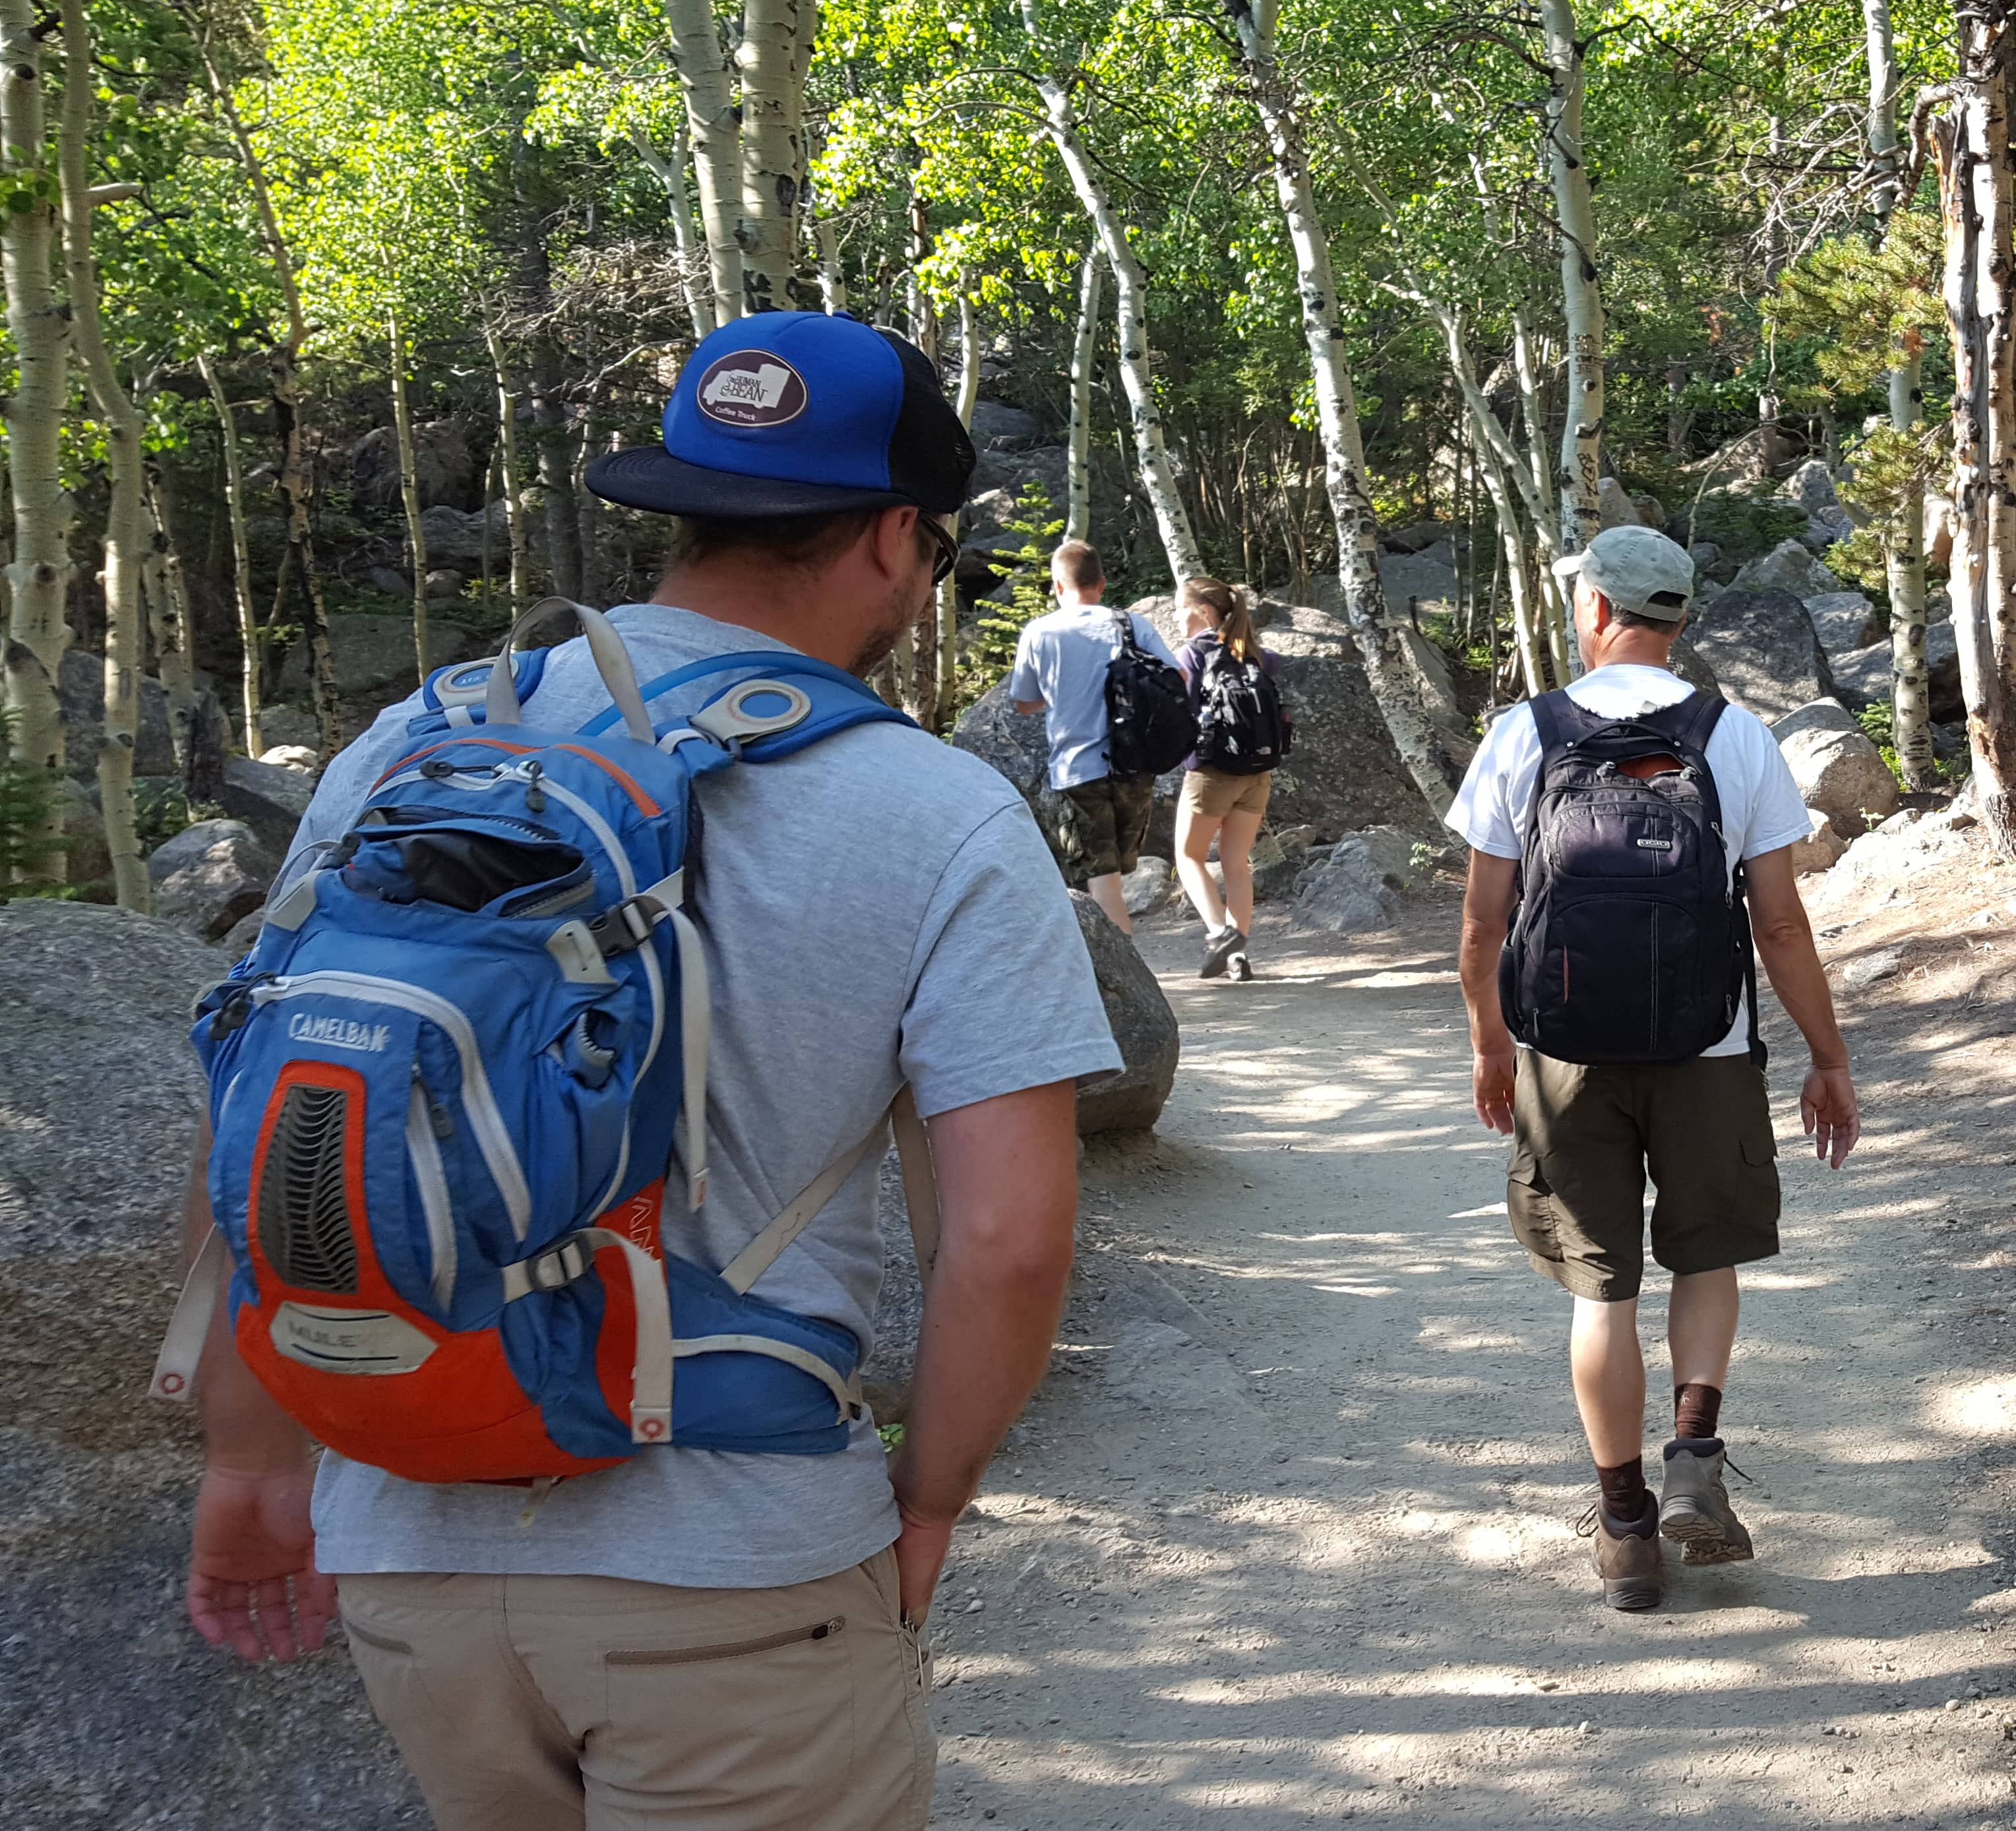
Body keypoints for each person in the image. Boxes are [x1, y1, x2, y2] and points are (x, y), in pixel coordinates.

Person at [181, 311, 1113, 1830]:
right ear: (893, 539)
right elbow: (1006, 1238)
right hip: (738, 1570)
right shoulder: (937, 811)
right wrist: (931, 1497)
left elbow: (257, 1122)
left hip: (409, 1541)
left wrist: (247, 1452)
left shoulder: (410, 745)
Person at [1448, 524, 1861, 1614]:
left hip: (1564, 1050)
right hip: (1707, 1046)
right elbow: (1778, 926)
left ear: (1592, 610)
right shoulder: (1735, 739)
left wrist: (1493, 1046)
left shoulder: (1523, 734)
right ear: (1678, 622)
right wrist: (1828, 1059)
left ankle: (1626, 1526)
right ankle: (1693, 1455)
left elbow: (1484, 922)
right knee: (1704, 1255)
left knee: (1600, 1291)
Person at [1007, 537, 1181, 932]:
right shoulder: (1132, 624)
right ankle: (1123, 965)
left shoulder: (1040, 632)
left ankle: (1124, 976)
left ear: (1057, 586)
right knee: (1116, 873)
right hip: (1135, 765)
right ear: (1101, 584)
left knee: (1100, 878)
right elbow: (1177, 678)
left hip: (1077, 768)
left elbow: (1024, 702)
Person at [1164, 576, 1292, 981]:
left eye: (1179, 607)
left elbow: (1180, 713)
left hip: (1211, 773)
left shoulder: (1191, 655)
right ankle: (1238, 958)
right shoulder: (1259, 655)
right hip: (1257, 773)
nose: (1174, 615)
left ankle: (1221, 934)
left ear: (1202, 611)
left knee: (1189, 857)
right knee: (1237, 863)